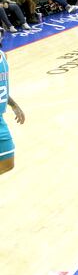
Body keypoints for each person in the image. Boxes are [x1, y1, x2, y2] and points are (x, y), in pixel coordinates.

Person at [0, 28, 26, 175]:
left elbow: (2, 87)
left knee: (8, 164)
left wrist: (14, 104)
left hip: (0, 119)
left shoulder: (4, 56)